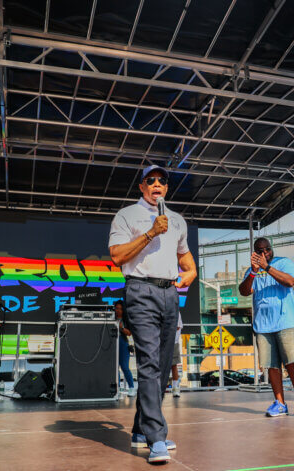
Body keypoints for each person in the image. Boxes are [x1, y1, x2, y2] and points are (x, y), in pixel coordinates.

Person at [109, 165, 197, 464]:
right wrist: (150, 233)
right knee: (148, 362)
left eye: (162, 181)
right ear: (142, 186)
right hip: (140, 291)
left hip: (169, 293)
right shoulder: (126, 215)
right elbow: (118, 255)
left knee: (161, 365)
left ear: (167, 188)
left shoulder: (177, 220)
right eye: (151, 180)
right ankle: (156, 438)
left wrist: (192, 272)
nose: (157, 184)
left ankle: (139, 430)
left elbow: (184, 256)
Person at [239, 237, 294, 418]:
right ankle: (280, 403)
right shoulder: (252, 271)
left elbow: (289, 281)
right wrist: (254, 272)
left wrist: (267, 267)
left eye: (267, 250)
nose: (264, 253)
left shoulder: (284, 263)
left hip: (285, 322)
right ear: (254, 252)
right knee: (271, 366)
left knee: (293, 362)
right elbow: (244, 291)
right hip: (263, 326)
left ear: (271, 249)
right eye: (259, 251)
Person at [115, 300, 136, 397]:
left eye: (120, 309)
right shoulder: (111, 318)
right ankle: (117, 388)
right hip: (112, 344)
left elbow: (129, 333)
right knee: (115, 368)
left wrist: (121, 328)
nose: (118, 311)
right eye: (117, 308)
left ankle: (131, 387)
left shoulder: (125, 320)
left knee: (124, 367)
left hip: (123, 344)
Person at [170, 313, 182, 397]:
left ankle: (175, 388)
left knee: (174, 365)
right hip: (162, 343)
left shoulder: (176, 312)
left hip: (173, 342)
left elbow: (177, 327)